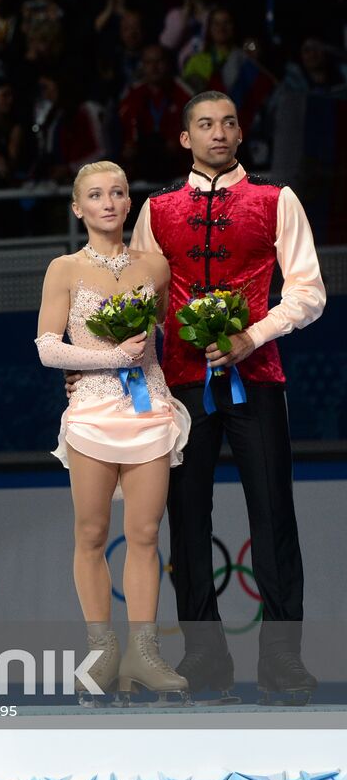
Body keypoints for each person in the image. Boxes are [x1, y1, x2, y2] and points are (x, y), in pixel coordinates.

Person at [129, 91, 326, 704]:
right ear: (185, 138)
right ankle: (205, 659)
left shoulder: (275, 200)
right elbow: (144, 303)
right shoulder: (155, 210)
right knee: (187, 523)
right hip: (182, 385)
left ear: (241, 133)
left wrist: (251, 336)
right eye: (206, 124)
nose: (220, 133)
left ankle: (282, 661)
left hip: (259, 379)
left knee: (274, 519)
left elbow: (309, 293)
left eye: (230, 123)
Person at [36, 162, 190, 705]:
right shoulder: (64, 269)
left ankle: (143, 655)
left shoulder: (155, 266)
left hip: (148, 410)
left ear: (129, 204)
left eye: (119, 193)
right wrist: (102, 360)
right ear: (78, 208)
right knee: (92, 534)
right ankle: (102, 651)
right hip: (93, 415)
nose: (109, 202)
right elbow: (48, 347)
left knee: (146, 535)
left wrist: (132, 359)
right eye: (96, 195)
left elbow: (162, 333)